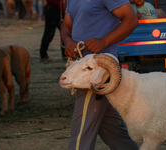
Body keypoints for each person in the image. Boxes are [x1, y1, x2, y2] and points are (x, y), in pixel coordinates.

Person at [61, 0, 139, 149]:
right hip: (81, 71)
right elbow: (66, 26)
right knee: (114, 132)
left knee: (81, 133)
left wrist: (104, 42)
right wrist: (68, 40)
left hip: (97, 73)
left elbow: (131, 19)